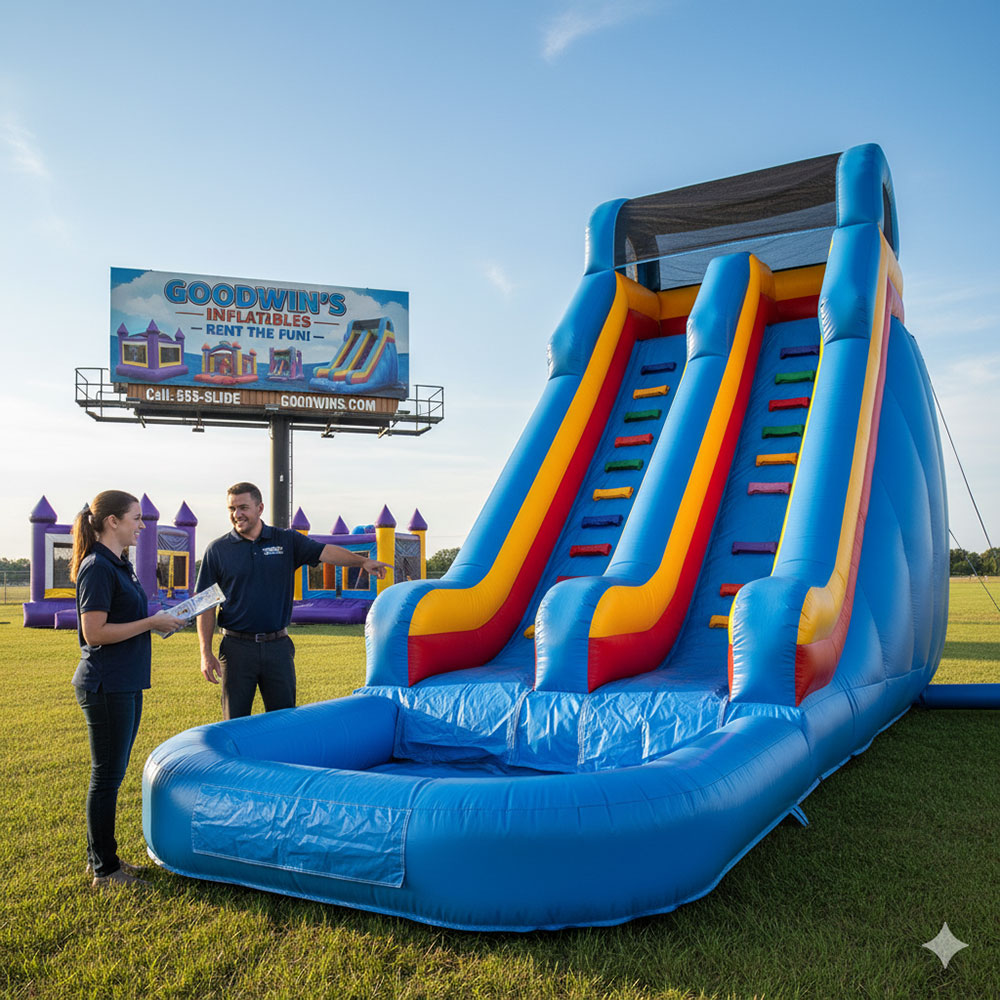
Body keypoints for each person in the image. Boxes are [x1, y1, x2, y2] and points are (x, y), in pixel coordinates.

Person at [71, 490, 187, 889]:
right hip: (106, 685)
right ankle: (105, 871)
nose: (141, 525)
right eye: (136, 518)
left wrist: (162, 621)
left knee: (111, 775)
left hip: (125, 681)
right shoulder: (97, 567)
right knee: (106, 777)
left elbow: (129, 617)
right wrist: (149, 624)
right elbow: (94, 631)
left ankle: (101, 858)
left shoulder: (119, 564)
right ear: (112, 522)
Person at [196, 482, 388, 719]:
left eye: (243, 507)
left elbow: (325, 551)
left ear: (260, 508)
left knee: (284, 719)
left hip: (277, 646)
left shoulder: (286, 541)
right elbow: (205, 605)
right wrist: (205, 652)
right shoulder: (217, 550)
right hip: (237, 649)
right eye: (231, 509)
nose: (237, 515)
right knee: (234, 721)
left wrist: (362, 562)